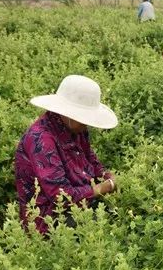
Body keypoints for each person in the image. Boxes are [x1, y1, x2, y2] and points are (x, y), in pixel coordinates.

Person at [15, 75, 118, 234]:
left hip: (81, 198)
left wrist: (105, 174)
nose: (86, 124)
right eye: (83, 118)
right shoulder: (41, 140)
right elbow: (60, 197)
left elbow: (89, 157)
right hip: (49, 217)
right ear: (68, 113)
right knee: (105, 227)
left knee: (121, 212)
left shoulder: (76, 127)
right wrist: (103, 188)